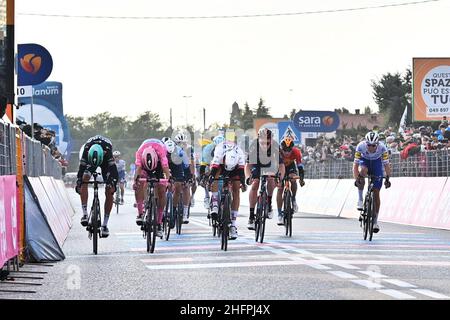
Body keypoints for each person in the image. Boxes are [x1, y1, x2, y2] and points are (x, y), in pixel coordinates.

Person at [76, 135, 118, 238]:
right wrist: (79, 181)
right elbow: (81, 168)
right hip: (91, 159)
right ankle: (85, 214)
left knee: (109, 188)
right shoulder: (86, 150)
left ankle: (105, 224)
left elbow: (113, 170)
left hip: (105, 162)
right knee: (85, 177)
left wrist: (113, 183)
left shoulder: (107, 151)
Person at [245, 127, 285, 230]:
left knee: (271, 179)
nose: (265, 145)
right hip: (256, 165)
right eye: (262, 143)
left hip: (269, 165)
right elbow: (248, 166)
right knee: (255, 184)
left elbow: (281, 166)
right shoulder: (254, 146)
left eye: (267, 143)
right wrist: (248, 177)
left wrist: (280, 177)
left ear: (271, 140)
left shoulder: (275, 147)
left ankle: (269, 202)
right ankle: (251, 216)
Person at [353, 131, 391, 233]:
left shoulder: (383, 148)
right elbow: (355, 165)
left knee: (376, 192)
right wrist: (357, 179)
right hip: (364, 162)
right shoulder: (360, 146)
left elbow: (386, 165)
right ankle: (360, 199)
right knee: (363, 171)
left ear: (377, 144)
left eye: (373, 145)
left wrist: (387, 178)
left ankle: (375, 221)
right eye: (369, 145)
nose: (371, 147)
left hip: (376, 164)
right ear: (366, 144)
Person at [208, 140, 247, 240]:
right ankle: (215, 202)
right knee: (215, 177)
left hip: (235, 169)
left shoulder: (240, 155)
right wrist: (210, 179)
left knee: (236, 190)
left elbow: (242, 173)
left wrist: (243, 183)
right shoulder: (219, 152)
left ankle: (233, 225)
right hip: (220, 166)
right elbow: (214, 170)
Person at [133, 139, 171, 237]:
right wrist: (135, 182)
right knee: (139, 184)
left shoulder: (162, 151)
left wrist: (168, 181)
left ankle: (159, 223)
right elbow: (138, 170)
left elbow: (166, 168)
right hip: (144, 164)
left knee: (162, 190)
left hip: (159, 165)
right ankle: (140, 213)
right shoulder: (139, 153)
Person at [276, 136, 305, 225]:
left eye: (289, 150)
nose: (287, 152)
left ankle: (293, 198)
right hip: (279, 167)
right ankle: (279, 214)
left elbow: (300, 167)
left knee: (293, 179)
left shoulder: (296, 152)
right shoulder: (277, 152)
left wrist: (301, 179)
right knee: (280, 188)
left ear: (292, 148)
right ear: (281, 148)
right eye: (285, 150)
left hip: (291, 167)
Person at [162, 137, 190, 224]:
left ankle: (173, 210)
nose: (169, 157)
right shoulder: (161, 152)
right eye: (168, 155)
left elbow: (186, 167)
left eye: (171, 154)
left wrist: (187, 178)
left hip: (177, 165)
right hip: (164, 165)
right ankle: (161, 208)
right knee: (162, 185)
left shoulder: (180, 152)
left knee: (178, 186)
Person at [199, 135, 225, 210]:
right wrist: (202, 177)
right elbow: (203, 166)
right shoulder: (207, 150)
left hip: (223, 166)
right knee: (207, 178)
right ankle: (207, 197)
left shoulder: (228, 150)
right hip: (210, 164)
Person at [174, 133, 197, 210]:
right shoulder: (173, 149)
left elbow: (192, 163)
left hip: (187, 166)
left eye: (184, 143)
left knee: (188, 185)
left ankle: (186, 209)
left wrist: (192, 176)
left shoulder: (189, 149)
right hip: (177, 167)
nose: (182, 145)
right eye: (179, 143)